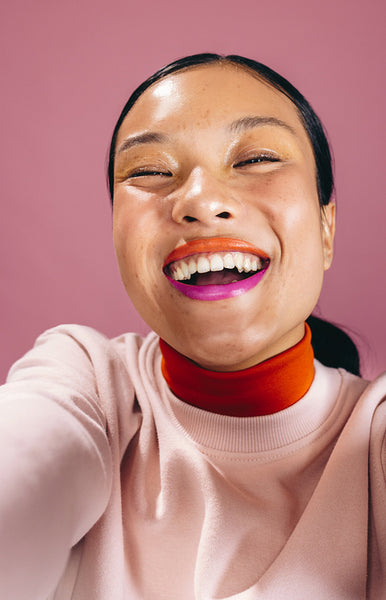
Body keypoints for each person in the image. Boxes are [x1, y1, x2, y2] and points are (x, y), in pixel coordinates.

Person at [0, 53, 384, 600]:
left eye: (257, 159)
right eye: (150, 171)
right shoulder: (85, 380)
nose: (201, 201)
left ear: (327, 228)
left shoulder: (375, 437)